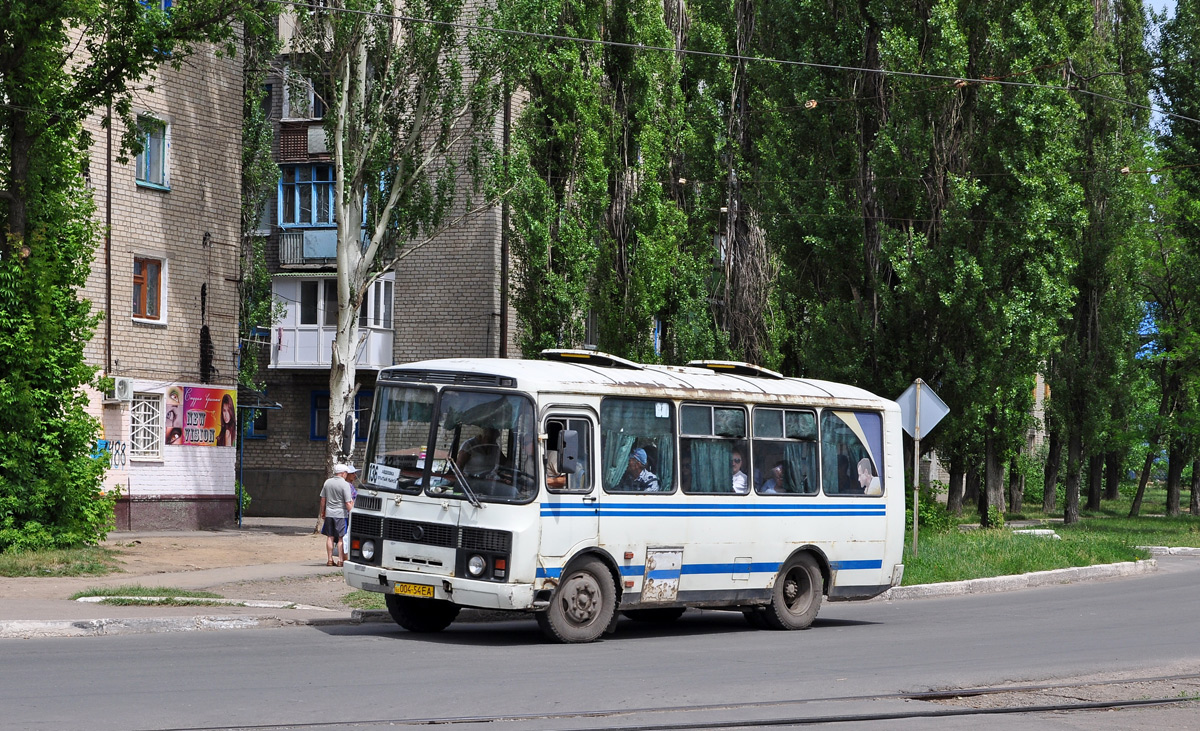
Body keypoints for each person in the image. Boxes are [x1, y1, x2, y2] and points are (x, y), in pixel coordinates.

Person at [318, 463, 355, 566]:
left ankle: (329, 559)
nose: (347, 475)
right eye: (346, 473)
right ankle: (340, 560)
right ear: (343, 473)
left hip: (329, 513)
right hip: (341, 514)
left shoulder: (327, 482)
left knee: (329, 537)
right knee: (340, 538)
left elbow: (323, 499)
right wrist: (353, 513)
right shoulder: (345, 485)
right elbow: (348, 502)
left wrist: (323, 512)